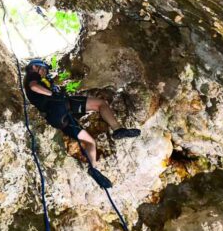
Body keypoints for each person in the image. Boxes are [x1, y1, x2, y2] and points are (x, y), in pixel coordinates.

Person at [23, 59, 140, 187]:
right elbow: (34, 86)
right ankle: (117, 129)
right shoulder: (32, 75)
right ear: (34, 67)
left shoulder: (41, 81)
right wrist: (53, 94)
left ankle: (93, 169)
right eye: (43, 69)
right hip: (60, 105)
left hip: (58, 120)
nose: (45, 72)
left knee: (90, 142)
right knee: (101, 104)